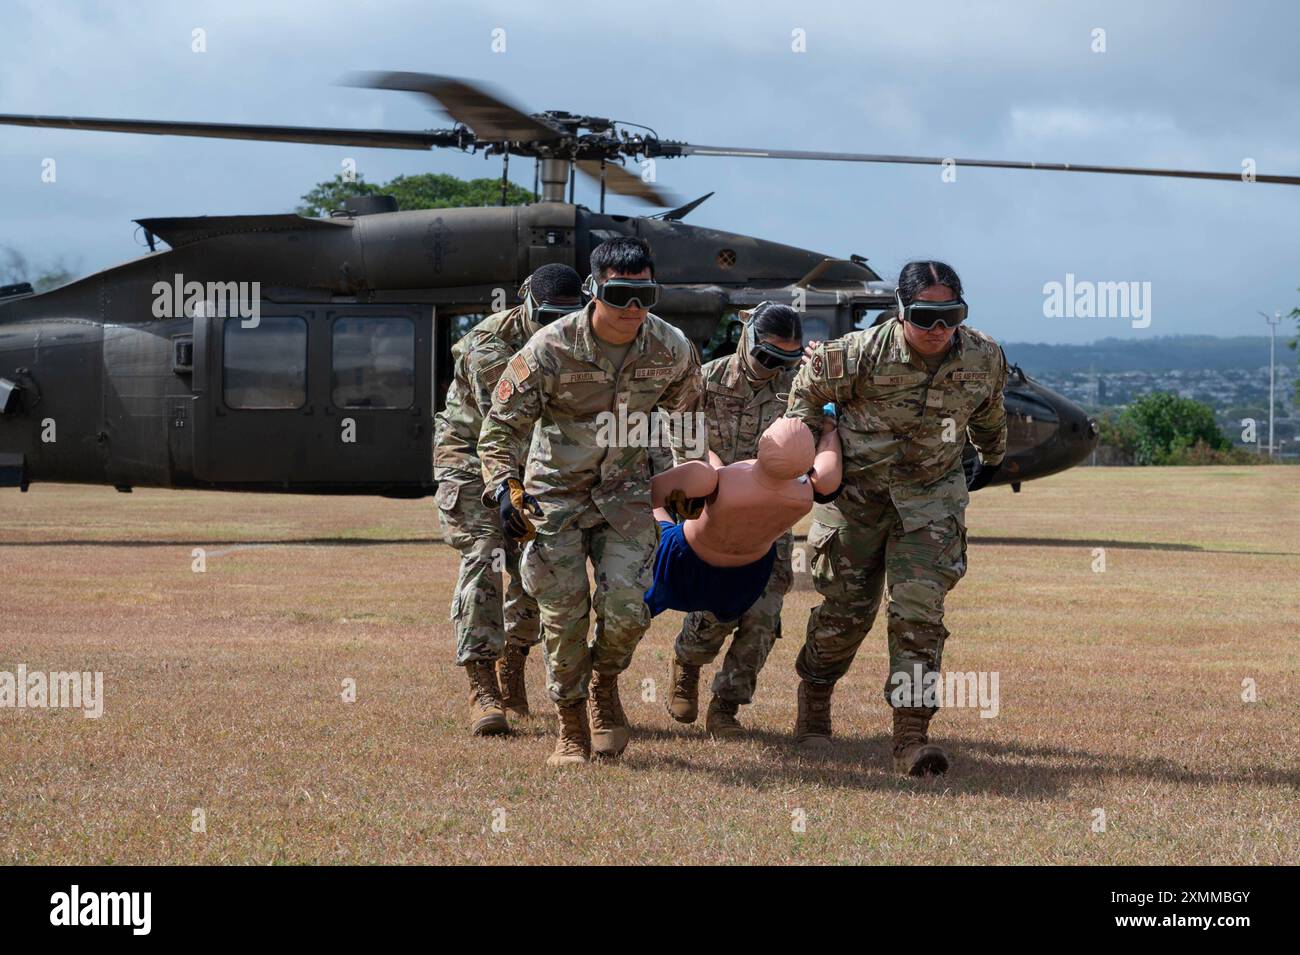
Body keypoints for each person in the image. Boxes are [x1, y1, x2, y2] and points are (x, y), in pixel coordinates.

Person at [477, 237, 704, 766]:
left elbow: (689, 414)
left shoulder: (670, 347)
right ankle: (572, 724)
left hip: (624, 496)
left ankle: (605, 683)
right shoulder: (549, 348)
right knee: (563, 614)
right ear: (594, 290)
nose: (634, 309)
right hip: (554, 496)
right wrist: (504, 487)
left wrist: (687, 477)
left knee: (628, 609)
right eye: (621, 294)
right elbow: (500, 429)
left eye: (645, 295)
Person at [784, 260, 1008, 776]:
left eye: (950, 315)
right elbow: (803, 402)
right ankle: (815, 697)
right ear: (902, 310)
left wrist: (990, 457)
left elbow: (990, 411)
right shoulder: (855, 355)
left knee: (918, 616)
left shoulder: (983, 355)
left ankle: (911, 735)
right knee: (846, 615)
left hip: (929, 503)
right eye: (926, 316)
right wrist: (819, 449)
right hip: (855, 502)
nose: (938, 329)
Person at [431, 264, 583, 736]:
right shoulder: (489, 346)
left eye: (567, 316)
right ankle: (482, 686)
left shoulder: (578, 344)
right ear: (525, 302)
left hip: (535, 462)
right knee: (485, 553)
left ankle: (512, 668)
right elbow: (509, 421)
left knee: (538, 563)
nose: (556, 325)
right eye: (548, 315)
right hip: (471, 458)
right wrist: (506, 489)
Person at [662, 303, 810, 737]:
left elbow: (813, 436)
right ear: (746, 338)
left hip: (772, 519)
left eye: (787, 360)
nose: (774, 369)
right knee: (719, 607)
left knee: (764, 615)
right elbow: (684, 438)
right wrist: (707, 476)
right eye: (768, 357)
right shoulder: (704, 382)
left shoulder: (797, 389)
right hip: (716, 513)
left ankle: (726, 706)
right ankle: (688, 661)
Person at [646, 416, 841, 638]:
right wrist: (829, 428)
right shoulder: (805, 494)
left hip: (683, 561)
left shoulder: (718, 480)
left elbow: (648, 495)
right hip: (747, 578)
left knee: (647, 506)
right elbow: (828, 473)